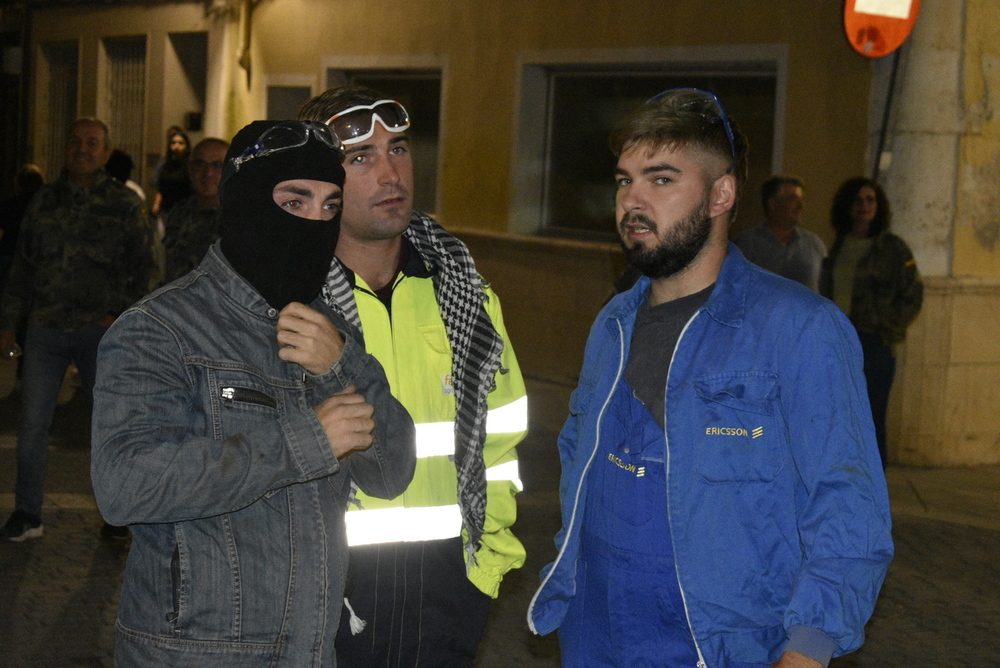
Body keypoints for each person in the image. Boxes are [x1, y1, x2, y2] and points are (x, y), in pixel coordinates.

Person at [527, 89, 893, 668]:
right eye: (625, 181)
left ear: (721, 194)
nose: (632, 202)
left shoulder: (802, 330)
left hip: (721, 645)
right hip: (597, 636)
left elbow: (849, 508)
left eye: (662, 180)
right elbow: (579, 457)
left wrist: (809, 649)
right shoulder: (613, 322)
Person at [90, 120, 417, 667]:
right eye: (294, 201)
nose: (314, 222)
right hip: (193, 655)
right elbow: (124, 485)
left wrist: (338, 366)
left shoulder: (331, 329)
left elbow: (391, 472)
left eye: (329, 206)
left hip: (310, 652)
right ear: (245, 205)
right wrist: (306, 441)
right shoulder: (160, 329)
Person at [298, 85, 528, 666]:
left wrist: (487, 565)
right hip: (325, 589)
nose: (390, 172)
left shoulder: (465, 293)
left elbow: (501, 435)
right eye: (360, 158)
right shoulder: (288, 304)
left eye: (398, 149)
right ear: (319, 181)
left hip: (447, 590)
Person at [0, 118, 153, 542]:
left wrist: (120, 315)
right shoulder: (43, 200)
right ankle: (28, 514)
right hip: (46, 329)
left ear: (106, 153)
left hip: (99, 334)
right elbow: (23, 267)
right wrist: (9, 323)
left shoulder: (123, 204)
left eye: (92, 143)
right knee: (31, 426)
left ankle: (118, 515)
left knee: (110, 427)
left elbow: (144, 266)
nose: (82, 149)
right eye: (75, 142)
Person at [820, 177, 922, 468]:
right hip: (840, 343)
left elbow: (912, 295)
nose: (864, 206)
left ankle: (874, 485)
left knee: (872, 415)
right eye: (858, 200)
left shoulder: (892, 248)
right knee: (840, 414)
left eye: (870, 200)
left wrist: (883, 327)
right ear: (847, 207)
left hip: (874, 345)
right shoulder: (839, 245)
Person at [733, 175, 826, 291]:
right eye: (793, 199)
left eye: (801, 200)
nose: (800, 206)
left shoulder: (813, 244)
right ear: (773, 203)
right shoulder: (746, 244)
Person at [161, 137, 228, 283]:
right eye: (200, 164)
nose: (208, 173)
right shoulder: (179, 213)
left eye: (217, 165)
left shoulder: (240, 218)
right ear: (189, 168)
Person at [151, 127, 193, 217]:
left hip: (185, 211)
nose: (176, 146)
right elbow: (161, 186)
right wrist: (156, 204)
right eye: (173, 143)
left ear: (187, 146)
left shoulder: (191, 166)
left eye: (181, 143)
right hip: (166, 209)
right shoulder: (166, 164)